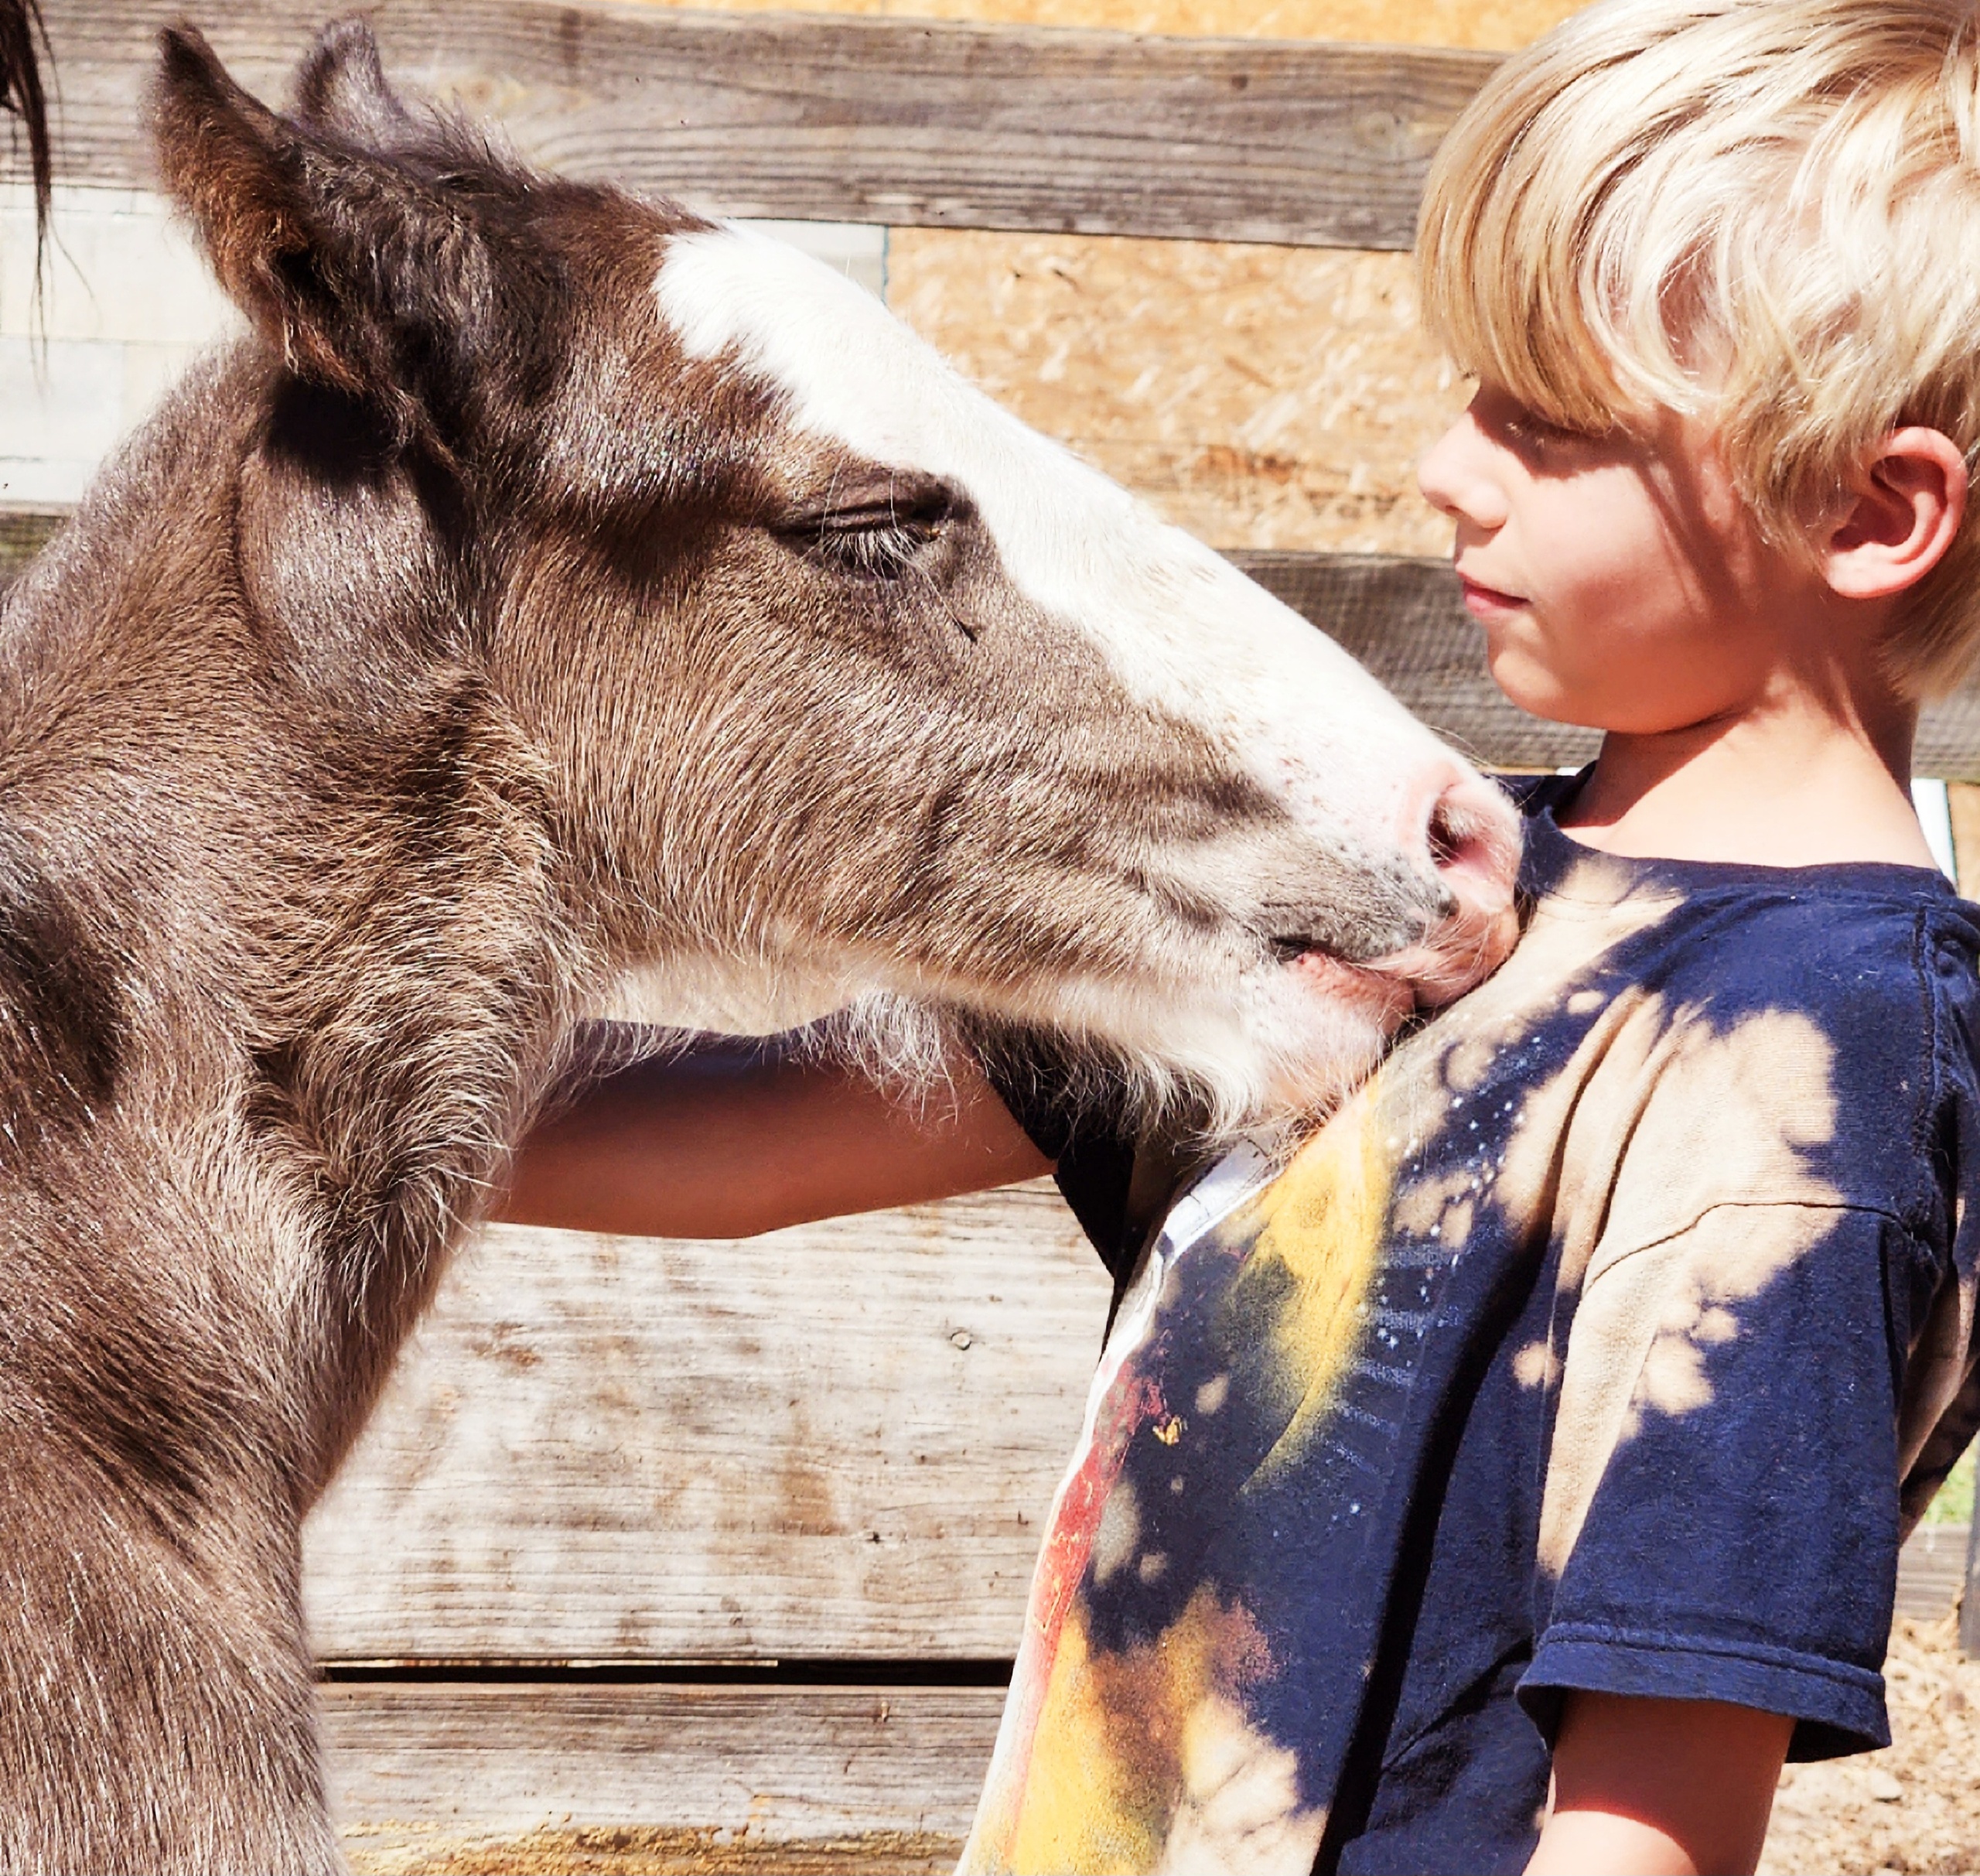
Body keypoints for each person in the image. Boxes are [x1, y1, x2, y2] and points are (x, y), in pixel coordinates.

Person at [499, 1, 1980, 1869]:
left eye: (1551, 420)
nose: (1451, 466)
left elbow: (1659, 1794)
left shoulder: (1807, 1065)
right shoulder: (1430, 901)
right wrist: (291, 1106)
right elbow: (777, 1137)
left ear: (1869, 512)